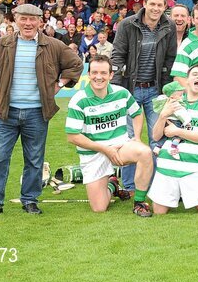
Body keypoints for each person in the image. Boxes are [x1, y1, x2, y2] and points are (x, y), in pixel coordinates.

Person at [0, 3, 83, 219]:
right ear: (15, 20)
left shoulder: (52, 45)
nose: (27, 23)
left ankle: (30, 200)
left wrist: (58, 85)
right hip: (6, 112)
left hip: (37, 113)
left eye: (32, 19)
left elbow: (76, 65)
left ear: (40, 21)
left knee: (34, 159)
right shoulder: (2, 44)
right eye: (23, 19)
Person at [64, 55, 154, 217]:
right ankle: (113, 184)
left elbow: (137, 113)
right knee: (99, 208)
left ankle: (139, 202)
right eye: (95, 72)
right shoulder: (79, 101)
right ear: (89, 74)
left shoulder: (122, 93)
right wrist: (105, 149)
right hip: (94, 152)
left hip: (120, 147)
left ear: (111, 75)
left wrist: (137, 138)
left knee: (145, 152)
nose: (99, 77)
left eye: (104, 73)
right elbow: (73, 137)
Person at [110, 0, 177, 193]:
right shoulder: (127, 24)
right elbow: (117, 55)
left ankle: (156, 184)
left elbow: (170, 59)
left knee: (158, 139)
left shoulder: (169, 26)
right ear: (144, 4)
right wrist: (119, 90)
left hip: (155, 91)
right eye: (153, 4)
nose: (156, 8)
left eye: (160, 5)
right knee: (131, 139)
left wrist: (165, 91)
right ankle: (131, 186)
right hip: (130, 89)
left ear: (165, 7)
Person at [148, 65, 198, 215]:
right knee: (159, 212)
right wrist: (163, 116)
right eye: (195, 74)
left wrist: (177, 131)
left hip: (194, 165)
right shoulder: (173, 101)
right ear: (187, 81)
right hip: (168, 165)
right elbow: (155, 136)